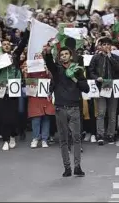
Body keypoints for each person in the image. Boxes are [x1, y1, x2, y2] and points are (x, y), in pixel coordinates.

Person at [43, 45, 89, 177]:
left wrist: (74, 78)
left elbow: (86, 89)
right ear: (59, 57)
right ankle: (67, 167)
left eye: (66, 54)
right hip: (60, 108)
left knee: (76, 139)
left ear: (70, 56)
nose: (64, 56)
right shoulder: (57, 70)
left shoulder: (78, 70)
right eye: (61, 54)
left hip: (74, 107)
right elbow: (50, 64)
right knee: (63, 139)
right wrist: (46, 53)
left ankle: (77, 167)